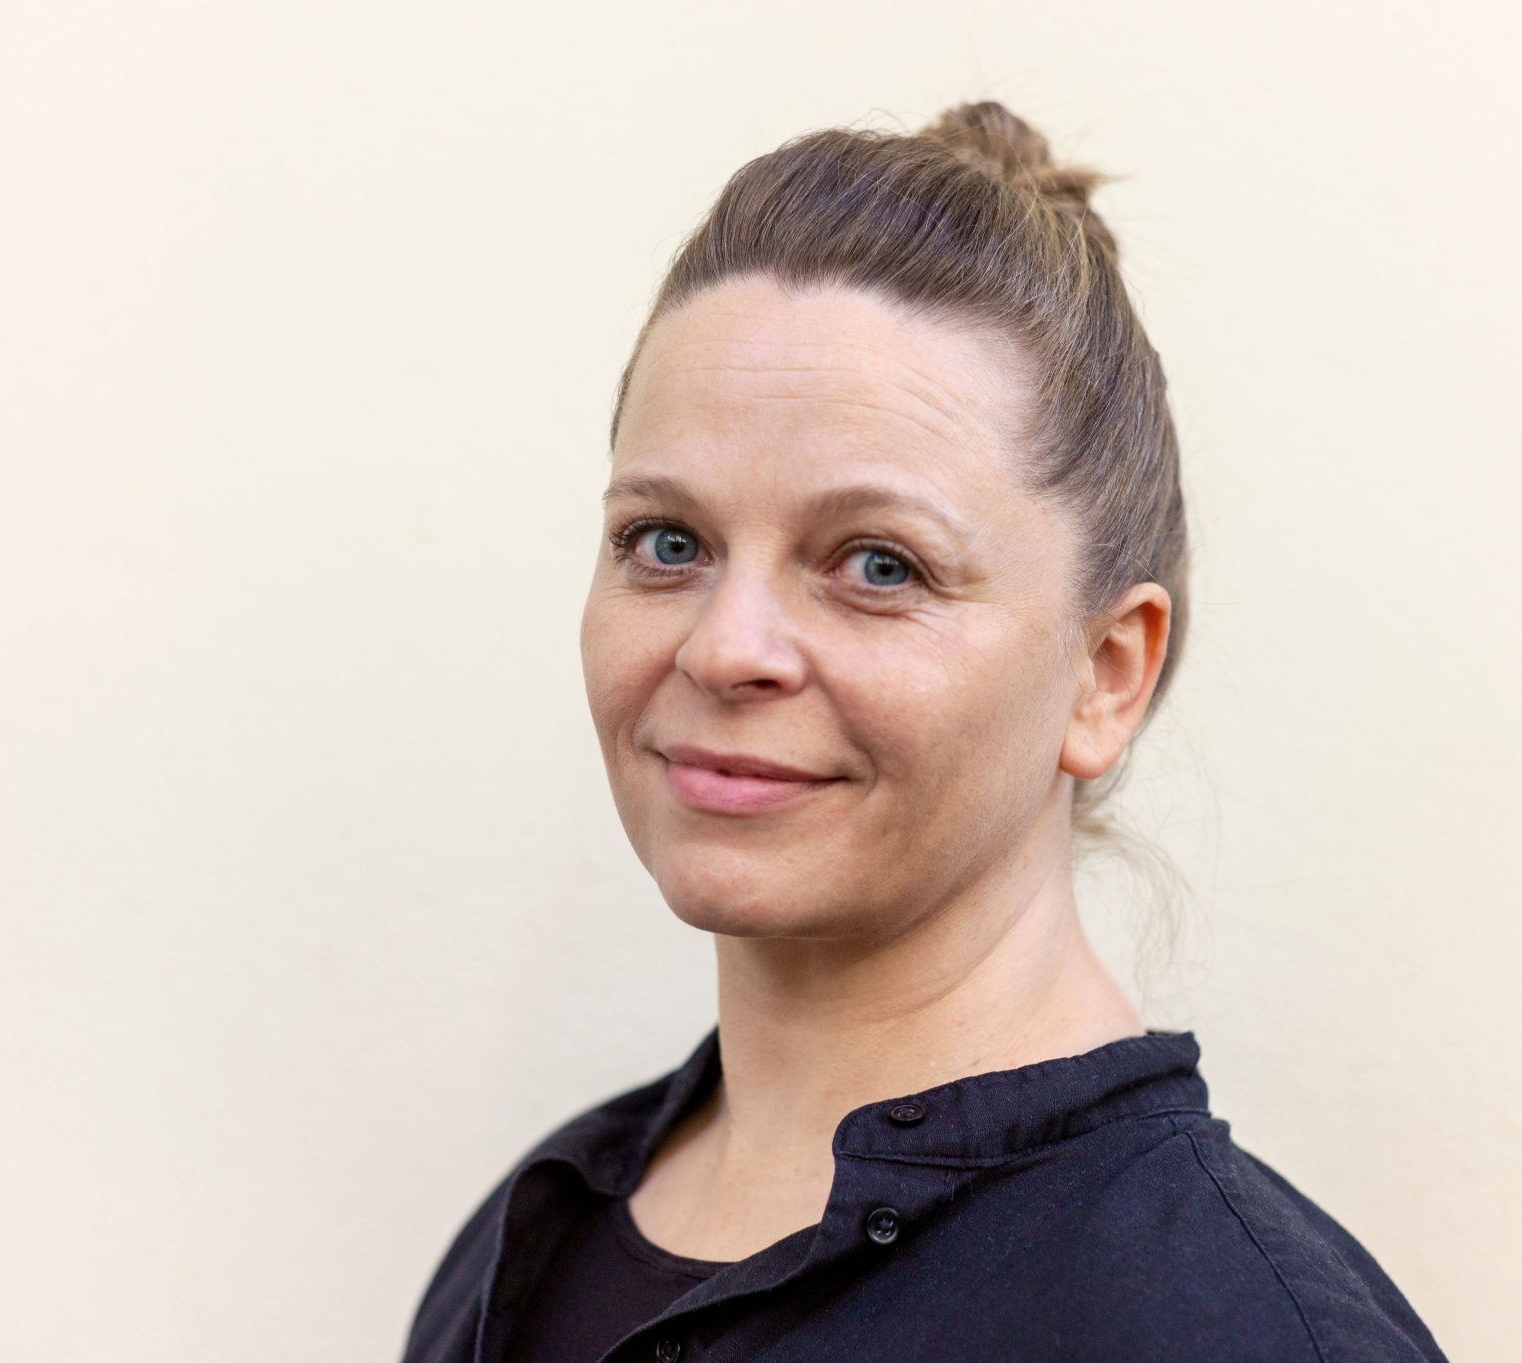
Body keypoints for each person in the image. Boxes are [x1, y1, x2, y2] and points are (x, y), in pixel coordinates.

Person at [400, 101, 1449, 1363]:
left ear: (1103, 675)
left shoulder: (1230, 1333)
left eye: (878, 564)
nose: (725, 647)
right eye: (666, 542)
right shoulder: (530, 1240)